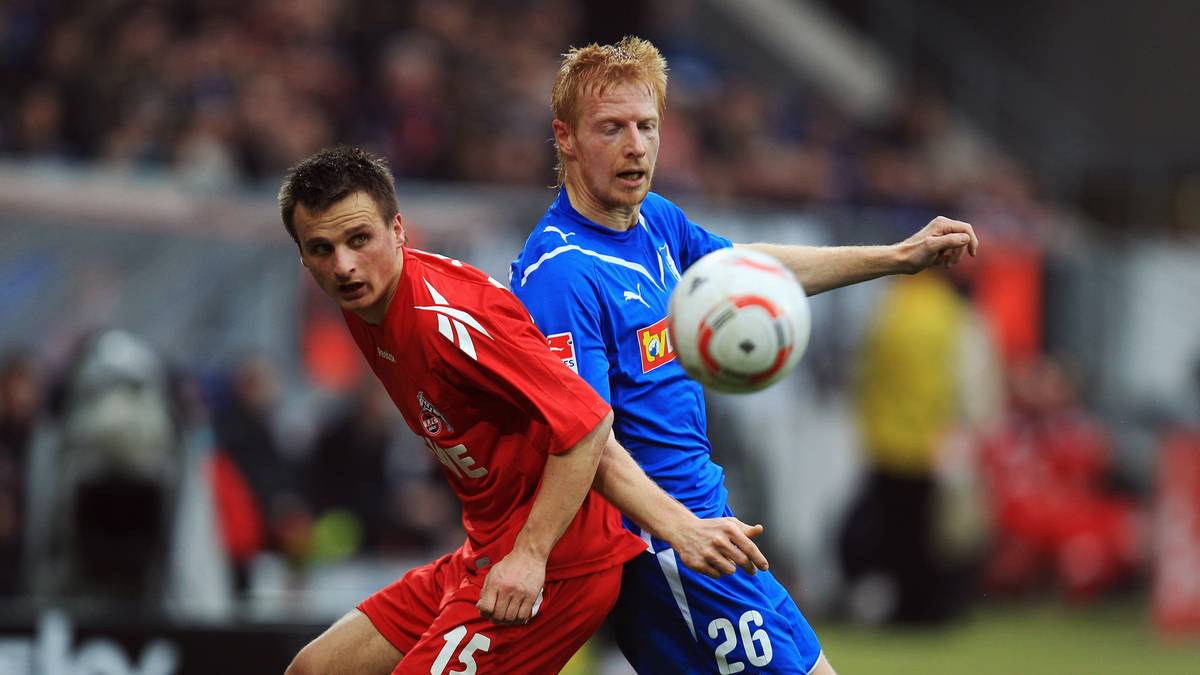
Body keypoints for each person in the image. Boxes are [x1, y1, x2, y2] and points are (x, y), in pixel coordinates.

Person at [510, 37, 980, 674]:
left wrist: (895, 257)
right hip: (664, 549)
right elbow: (584, 442)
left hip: (711, 530)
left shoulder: (656, 223)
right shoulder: (561, 274)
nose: (636, 145)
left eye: (647, 126)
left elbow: (753, 273)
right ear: (564, 137)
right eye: (611, 128)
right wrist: (679, 530)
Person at [279, 146, 773, 675]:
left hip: (559, 564)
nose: (344, 265)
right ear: (304, 257)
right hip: (488, 550)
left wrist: (537, 554)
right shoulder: (366, 305)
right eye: (322, 249)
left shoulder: (446, 321)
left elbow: (588, 425)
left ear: (397, 230)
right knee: (314, 669)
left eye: (359, 240)